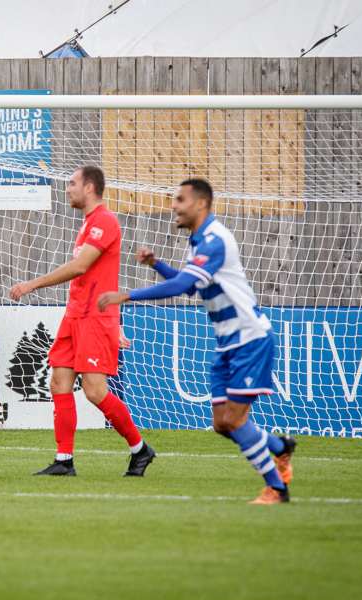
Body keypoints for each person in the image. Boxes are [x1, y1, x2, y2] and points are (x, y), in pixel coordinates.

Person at [97, 178, 297, 504]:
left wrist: (126, 295)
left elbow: (181, 287)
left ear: (200, 204)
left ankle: (277, 488)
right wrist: (156, 264)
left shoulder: (215, 239)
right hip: (227, 343)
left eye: (179, 200)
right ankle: (280, 447)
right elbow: (192, 287)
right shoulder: (198, 240)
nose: (173, 206)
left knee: (234, 419)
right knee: (221, 424)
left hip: (250, 338)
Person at [9, 165, 155, 477]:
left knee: (94, 391)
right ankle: (64, 460)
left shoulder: (104, 219)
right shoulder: (89, 222)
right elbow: (96, 275)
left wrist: (32, 284)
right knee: (59, 382)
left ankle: (140, 449)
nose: (67, 189)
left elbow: (80, 267)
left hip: (93, 317)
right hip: (75, 314)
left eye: (72, 183)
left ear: (89, 188)